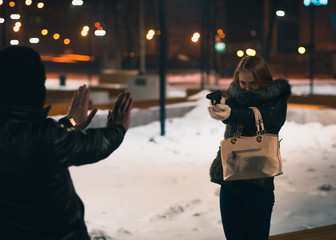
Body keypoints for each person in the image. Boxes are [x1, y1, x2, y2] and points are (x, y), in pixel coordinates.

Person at [0, 46, 133, 240]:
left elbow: (34, 139)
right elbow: (92, 146)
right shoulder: (47, 137)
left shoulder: (44, 136)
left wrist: (70, 123)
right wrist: (118, 129)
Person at [208, 56, 291, 240]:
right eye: (243, 82)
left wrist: (232, 114)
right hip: (230, 182)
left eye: (253, 83)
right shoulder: (236, 99)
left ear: (264, 80)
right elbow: (233, 112)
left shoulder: (276, 102)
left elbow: (261, 118)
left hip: (258, 187)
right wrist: (221, 107)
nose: (246, 87)